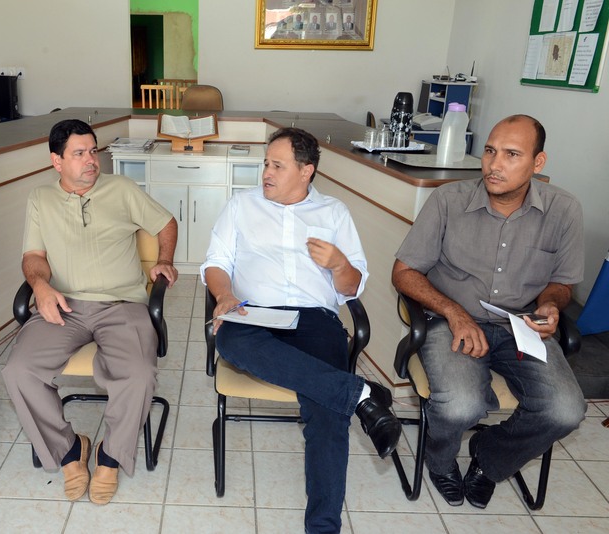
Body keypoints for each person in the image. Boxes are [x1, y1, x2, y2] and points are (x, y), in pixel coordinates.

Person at [202, 128, 401, 534]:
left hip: (315, 320)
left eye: (278, 166)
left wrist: (340, 264)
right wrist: (224, 295)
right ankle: (361, 394)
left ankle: (323, 527)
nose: (266, 173)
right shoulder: (241, 206)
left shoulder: (333, 213)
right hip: (253, 313)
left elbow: (351, 288)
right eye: (266, 164)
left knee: (327, 414)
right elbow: (216, 263)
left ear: (306, 170)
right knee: (229, 338)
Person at [392, 114, 586, 509]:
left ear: (538, 162)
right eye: (490, 151)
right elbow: (404, 272)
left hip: (521, 325)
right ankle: (440, 462)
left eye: (511, 155)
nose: (494, 165)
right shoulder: (448, 200)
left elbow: (562, 283)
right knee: (461, 405)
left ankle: (490, 459)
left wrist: (551, 303)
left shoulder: (563, 209)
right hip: (451, 320)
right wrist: (453, 312)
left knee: (566, 411)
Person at [2, 119, 178, 505]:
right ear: (57, 161)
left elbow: (166, 222)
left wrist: (164, 259)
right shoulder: (40, 198)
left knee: (138, 373)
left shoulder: (122, 189)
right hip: (64, 304)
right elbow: (33, 256)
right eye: (79, 153)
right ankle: (69, 450)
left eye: (93, 151)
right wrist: (40, 286)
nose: (91, 160)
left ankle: (110, 456)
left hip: (122, 304)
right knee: (18, 371)